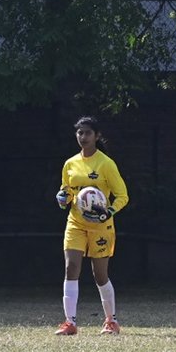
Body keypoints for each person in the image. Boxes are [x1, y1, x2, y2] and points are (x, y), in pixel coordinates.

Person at [54, 116, 129, 335]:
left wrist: (109, 212)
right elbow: (66, 190)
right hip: (75, 223)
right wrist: (62, 198)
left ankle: (111, 320)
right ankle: (70, 322)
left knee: (100, 275)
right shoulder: (70, 163)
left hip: (100, 226)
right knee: (71, 268)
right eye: (79, 133)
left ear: (97, 136)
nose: (83, 137)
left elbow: (122, 196)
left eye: (87, 133)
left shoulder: (106, 164)